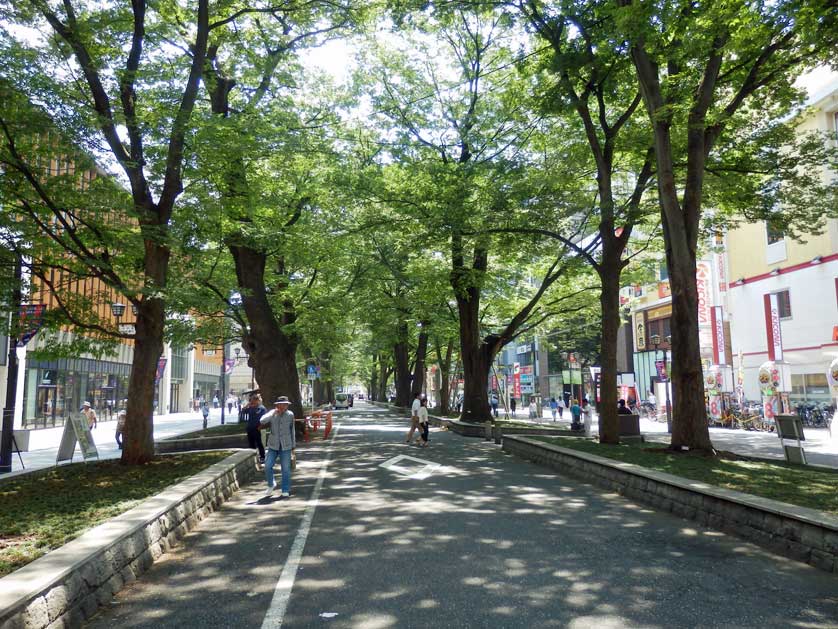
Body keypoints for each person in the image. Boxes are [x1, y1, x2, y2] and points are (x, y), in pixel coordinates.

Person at [258, 396, 296, 498]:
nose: (284, 406)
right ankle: (271, 484)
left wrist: (293, 446)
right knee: (267, 465)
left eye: (286, 404)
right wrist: (272, 413)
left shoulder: (290, 415)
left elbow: (292, 430)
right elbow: (262, 420)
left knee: (286, 469)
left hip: (286, 445)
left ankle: (285, 489)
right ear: (277, 405)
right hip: (273, 445)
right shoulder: (272, 414)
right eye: (282, 404)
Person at [243, 394, 267, 463]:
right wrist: (248, 404)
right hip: (250, 428)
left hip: (257, 428)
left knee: (259, 443)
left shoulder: (261, 408)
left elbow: (264, 419)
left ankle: (262, 457)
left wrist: (260, 426)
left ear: (257, 400)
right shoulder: (250, 407)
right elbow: (243, 411)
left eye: (254, 400)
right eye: (251, 400)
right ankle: (253, 457)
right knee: (251, 444)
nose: (252, 402)